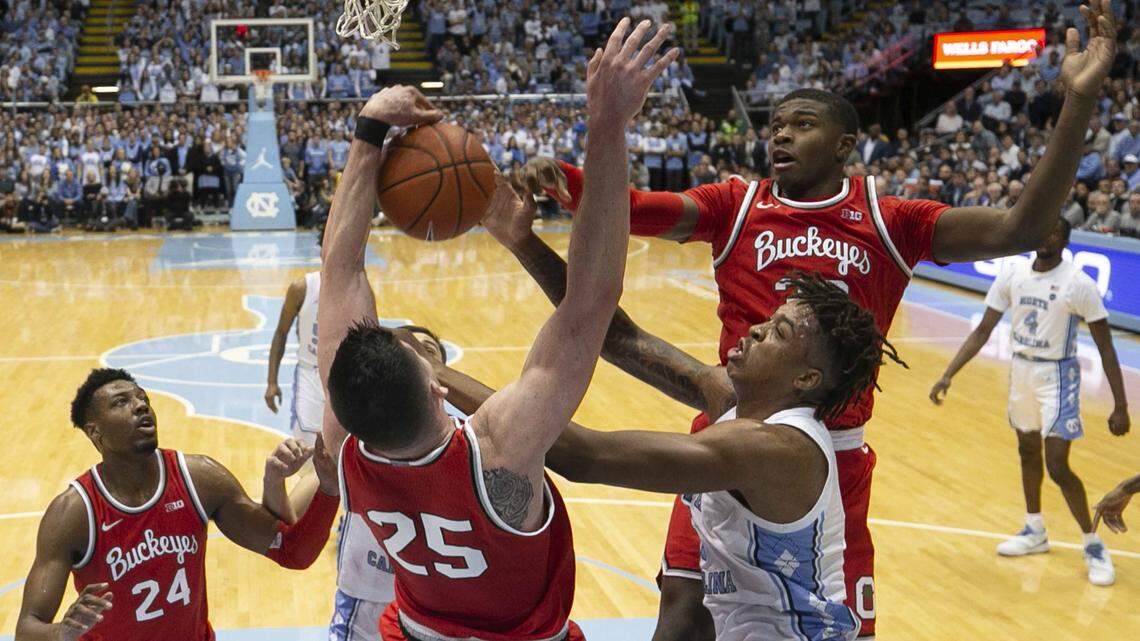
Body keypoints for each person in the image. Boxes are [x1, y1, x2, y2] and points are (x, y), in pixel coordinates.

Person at [517, 3, 1119, 636]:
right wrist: (575, 181)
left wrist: (1077, 103)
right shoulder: (735, 204)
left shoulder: (891, 220)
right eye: (775, 126)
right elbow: (639, 208)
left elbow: (1020, 227)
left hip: (830, 460)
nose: (779, 136)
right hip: (726, 433)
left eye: (801, 125)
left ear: (843, 145)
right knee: (680, 623)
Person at [318, 21, 677, 641]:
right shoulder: (498, 452)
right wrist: (607, 123)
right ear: (438, 391)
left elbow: (338, 270)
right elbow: (591, 301)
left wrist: (369, 132)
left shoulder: (347, 454)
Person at [14, 368, 340, 641]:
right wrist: (60, 632)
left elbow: (293, 552)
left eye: (143, 399)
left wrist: (326, 490)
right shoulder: (73, 513)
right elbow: (27, 628)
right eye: (122, 402)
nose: (140, 406)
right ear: (95, 432)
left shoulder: (199, 479)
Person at [929, 219, 1131, 586]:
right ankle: (1034, 528)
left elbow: (1105, 345)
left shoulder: (1079, 283)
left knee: (1057, 464)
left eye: (1054, 232)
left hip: (1058, 376)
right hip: (1021, 371)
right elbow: (983, 329)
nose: (1045, 236)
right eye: (1043, 230)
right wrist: (948, 373)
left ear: (1065, 241)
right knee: (1026, 450)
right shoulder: (1013, 274)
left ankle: (1092, 541)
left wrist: (1121, 404)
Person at [263, 326, 448, 641]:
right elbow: (287, 529)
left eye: (427, 348)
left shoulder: (470, 443)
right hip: (367, 605)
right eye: (409, 348)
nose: (417, 350)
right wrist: (273, 480)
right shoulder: (352, 446)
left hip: (443, 611)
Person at [266, 255, 324, 446]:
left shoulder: (355, 287)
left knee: (343, 448)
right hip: (309, 373)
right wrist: (272, 382)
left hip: (343, 375)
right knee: (306, 447)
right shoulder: (303, 288)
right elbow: (281, 333)